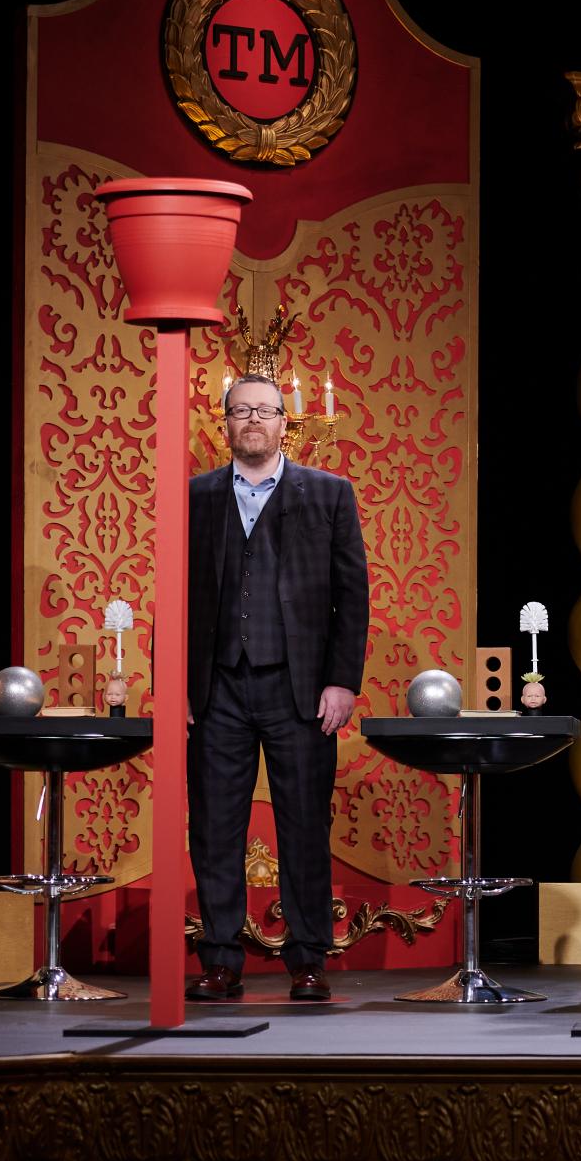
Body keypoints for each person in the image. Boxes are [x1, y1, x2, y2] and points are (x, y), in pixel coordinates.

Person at [185, 376, 369, 1001]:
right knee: (215, 828)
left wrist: (343, 681)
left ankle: (308, 958)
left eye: (264, 411)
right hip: (218, 690)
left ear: (284, 421)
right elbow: (177, 598)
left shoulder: (328, 494)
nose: (253, 422)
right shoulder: (197, 497)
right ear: (226, 423)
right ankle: (220, 959)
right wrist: (179, 685)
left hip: (301, 690)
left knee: (303, 825)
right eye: (241, 412)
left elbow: (352, 596)